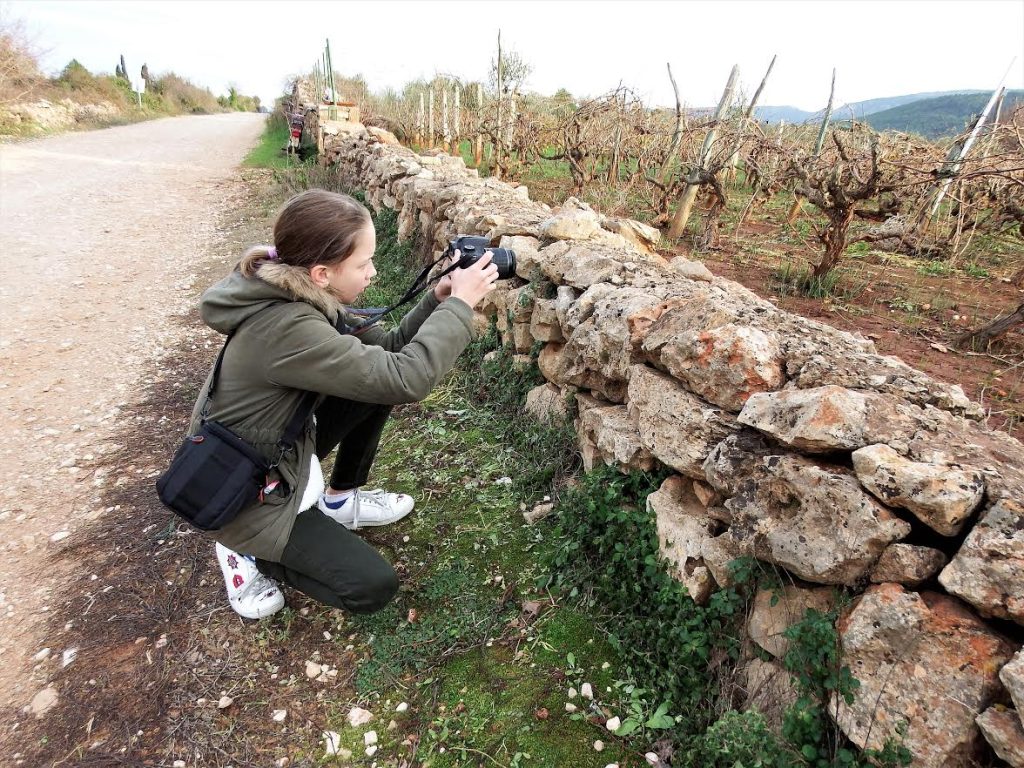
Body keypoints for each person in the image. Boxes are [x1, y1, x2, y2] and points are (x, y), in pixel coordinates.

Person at [189, 189, 498, 619]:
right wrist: (463, 305)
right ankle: (242, 549)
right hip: (243, 488)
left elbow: (387, 355)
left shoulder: (299, 294)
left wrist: (438, 300)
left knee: (371, 385)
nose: (373, 272)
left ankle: (338, 500)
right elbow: (407, 377)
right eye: (363, 263)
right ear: (320, 272)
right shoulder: (290, 328)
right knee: (371, 587)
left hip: (280, 447)